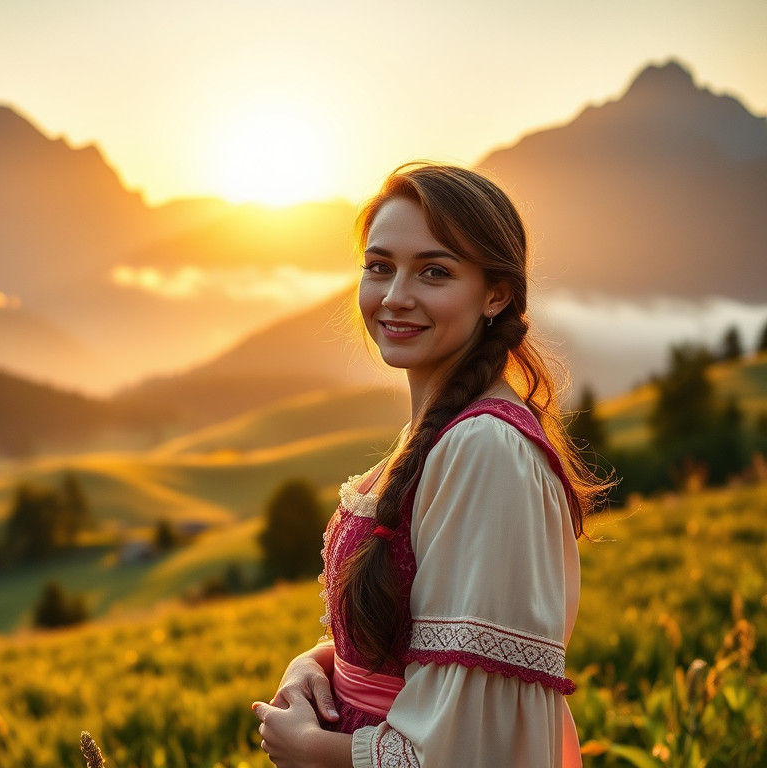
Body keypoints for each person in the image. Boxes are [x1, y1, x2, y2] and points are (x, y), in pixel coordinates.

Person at [251, 162, 614, 767]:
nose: (395, 297)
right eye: (379, 266)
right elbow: (409, 642)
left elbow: (471, 738)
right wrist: (311, 667)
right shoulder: (438, 435)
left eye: (435, 271)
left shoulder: (486, 451)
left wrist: (314, 748)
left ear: (496, 293)